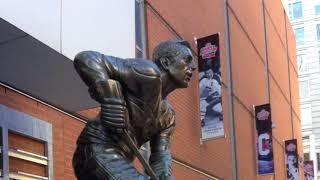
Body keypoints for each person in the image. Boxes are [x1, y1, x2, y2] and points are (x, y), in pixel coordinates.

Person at [72, 40, 196, 180]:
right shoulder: (148, 73)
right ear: (166, 62)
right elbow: (87, 58)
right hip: (97, 151)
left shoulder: (168, 116)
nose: (193, 67)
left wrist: (165, 176)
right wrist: (110, 98)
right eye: (187, 60)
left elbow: (161, 153)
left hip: (121, 159)